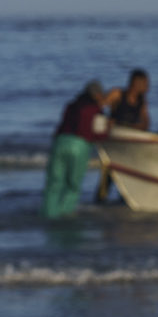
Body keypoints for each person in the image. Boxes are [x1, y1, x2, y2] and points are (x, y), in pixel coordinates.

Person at [44, 81, 108, 219]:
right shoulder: (96, 110)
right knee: (73, 184)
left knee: (54, 182)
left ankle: (49, 213)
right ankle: (65, 214)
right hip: (80, 145)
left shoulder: (72, 105)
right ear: (97, 95)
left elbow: (62, 124)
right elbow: (100, 134)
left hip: (60, 142)